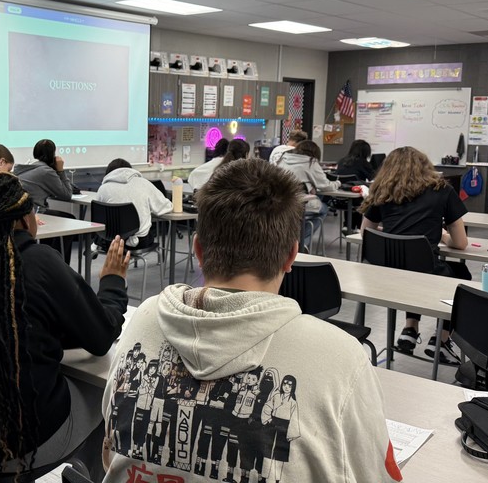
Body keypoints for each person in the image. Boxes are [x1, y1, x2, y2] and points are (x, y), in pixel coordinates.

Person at [102, 158, 402, 483]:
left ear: (198, 251)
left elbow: (109, 451)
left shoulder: (144, 320)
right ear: (291, 256)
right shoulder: (342, 357)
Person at [0, 173, 129, 476]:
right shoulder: (40, 262)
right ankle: (86, 476)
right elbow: (101, 337)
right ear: (23, 219)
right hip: (10, 447)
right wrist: (112, 283)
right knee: (103, 395)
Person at [359, 146, 469, 364]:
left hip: (386, 278)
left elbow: (366, 234)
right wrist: (444, 236)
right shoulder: (442, 190)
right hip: (427, 276)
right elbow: (461, 243)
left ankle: (410, 329)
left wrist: (391, 237)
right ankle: (443, 339)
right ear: (426, 167)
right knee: (462, 276)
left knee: (411, 266)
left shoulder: (381, 191)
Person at [273, 140, 340, 251]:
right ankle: (303, 241)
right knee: (323, 209)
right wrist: (338, 183)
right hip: (300, 204)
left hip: (278, 203)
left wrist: (308, 185)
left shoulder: (282, 159)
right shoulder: (310, 162)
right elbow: (326, 186)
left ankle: (291, 241)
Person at [96, 158, 173, 247]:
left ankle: (95, 245)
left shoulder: (103, 188)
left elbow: (99, 216)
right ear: (131, 171)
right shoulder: (144, 183)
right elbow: (166, 207)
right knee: (150, 233)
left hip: (111, 241)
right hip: (140, 242)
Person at [14, 139, 74, 208]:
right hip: (34, 214)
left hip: (21, 213)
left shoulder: (30, 167)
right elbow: (67, 195)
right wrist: (60, 170)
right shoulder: (46, 172)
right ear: (52, 155)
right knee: (70, 217)